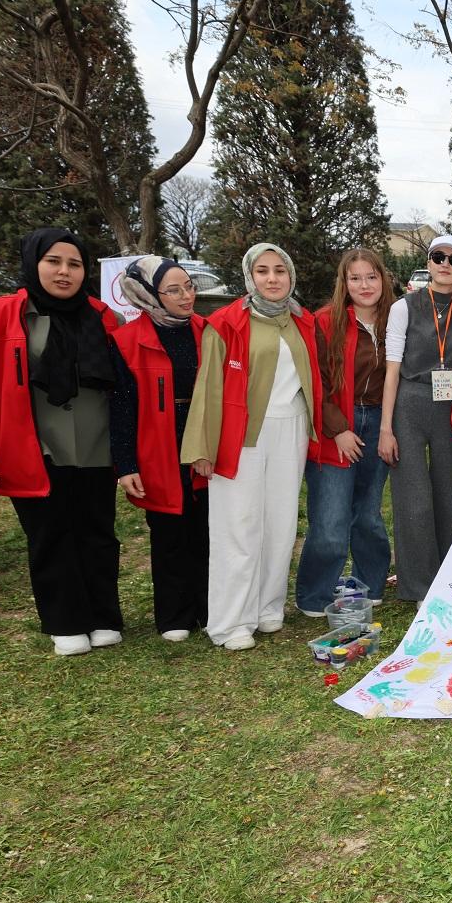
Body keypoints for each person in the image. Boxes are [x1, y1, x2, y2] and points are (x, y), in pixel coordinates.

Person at [0, 228, 122, 655]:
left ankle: (103, 616)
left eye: (74, 264)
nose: (65, 272)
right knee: (50, 533)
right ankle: (66, 622)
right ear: (33, 263)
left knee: (98, 533)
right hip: (32, 444)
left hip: (96, 445)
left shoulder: (104, 317)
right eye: (54, 262)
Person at [180, 243, 322, 651]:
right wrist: (203, 447)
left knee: (280, 524)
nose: (272, 278)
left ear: (290, 275)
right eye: (263, 271)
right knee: (238, 526)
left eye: (280, 270)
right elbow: (208, 386)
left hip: (291, 430)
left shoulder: (302, 320)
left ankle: (267, 607)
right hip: (240, 433)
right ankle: (231, 622)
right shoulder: (225, 322)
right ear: (249, 276)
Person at [110, 256, 208, 642]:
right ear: (149, 294)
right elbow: (120, 407)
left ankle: (208, 607)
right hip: (157, 443)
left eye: (190, 286)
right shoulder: (126, 341)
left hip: (202, 440)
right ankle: (174, 615)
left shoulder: (207, 331)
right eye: (174, 290)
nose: (187, 296)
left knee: (205, 529)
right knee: (168, 532)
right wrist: (125, 464)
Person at [296, 249, 395, 617]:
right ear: (344, 282)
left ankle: (371, 582)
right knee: (331, 517)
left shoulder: (396, 320)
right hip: (337, 423)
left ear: (383, 279)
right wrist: (338, 428)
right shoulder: (325, 321)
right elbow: (314, 381)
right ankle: (315, 594)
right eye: (355, 278)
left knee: (368, 513)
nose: (364, 285)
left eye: (371, 276)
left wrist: (389, 427)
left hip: (379, 422)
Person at [380, 235, 452, 606]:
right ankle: (418, 585)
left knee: (445, 495)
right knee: (414, 497)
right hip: (410, 402)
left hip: (450, 408)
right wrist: (386, 428)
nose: (445, 264)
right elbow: (392, 370)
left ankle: (443, 577)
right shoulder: (403, 307)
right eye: (438, 257)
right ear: (428, 262)